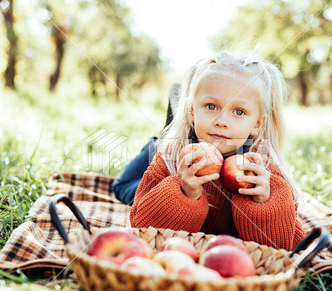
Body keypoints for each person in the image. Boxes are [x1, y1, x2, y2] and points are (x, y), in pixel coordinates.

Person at [127, 51, 305, 251]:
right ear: (193, 111)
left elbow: (287, 246)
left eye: (239, 112)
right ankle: (158, 137)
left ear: (257, 124)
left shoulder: (263, 170)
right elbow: (142, 229)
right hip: (174, 147)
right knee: (125, 187)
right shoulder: (170, 158)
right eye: (211, 106)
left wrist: (263, 203)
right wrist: (185, 192)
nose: (221, 121)